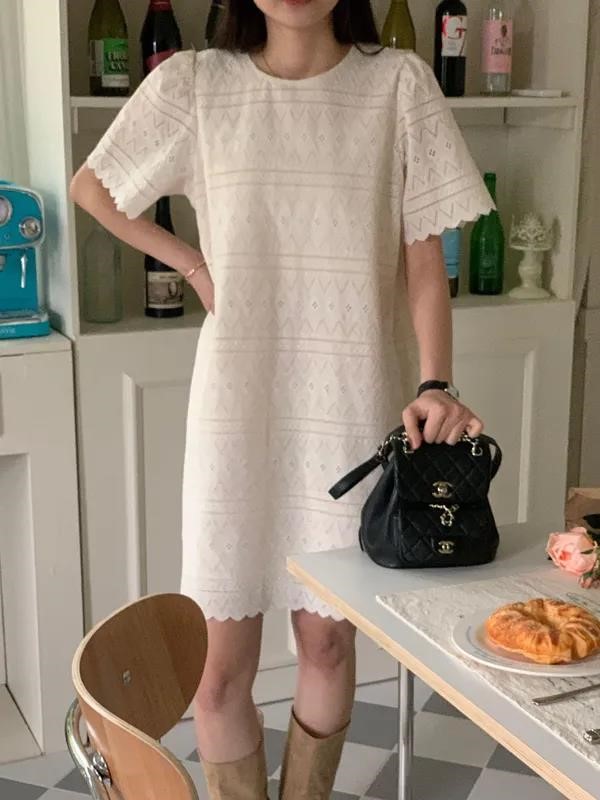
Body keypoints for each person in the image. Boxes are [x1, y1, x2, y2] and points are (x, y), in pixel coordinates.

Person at [70, 1, 491, 797]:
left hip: (350, 407)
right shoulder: (196, 84)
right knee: (217, 672)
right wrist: (192, 264)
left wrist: (435, 383)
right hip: (238, 408)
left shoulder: (398, 85)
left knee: (327, 645)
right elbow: (93, 187)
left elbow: (423, 262)